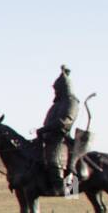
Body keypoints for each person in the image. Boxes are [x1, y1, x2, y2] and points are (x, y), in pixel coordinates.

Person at [36, 65, 79, 195]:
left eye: (57, 89)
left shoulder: (71, 102)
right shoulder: (56, 105)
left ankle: (66, 189)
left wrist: (45, 129)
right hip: (48, 138)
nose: (55, 92)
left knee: (54, 161)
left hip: (61, 139)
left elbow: (66, 121)